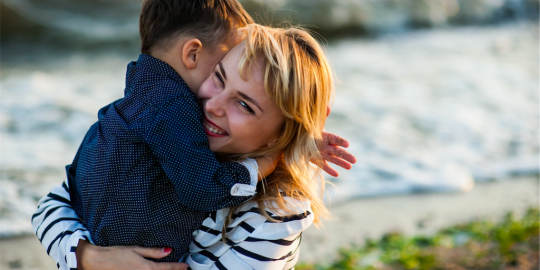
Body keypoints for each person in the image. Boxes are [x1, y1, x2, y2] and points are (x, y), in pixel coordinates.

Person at [33, 24, 355, 270]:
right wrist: (91, 257)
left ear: (280, 133)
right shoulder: (170, 140)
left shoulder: (278, 212)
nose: (213, 104)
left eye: (244, 105)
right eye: (218, 77)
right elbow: (52, 205)